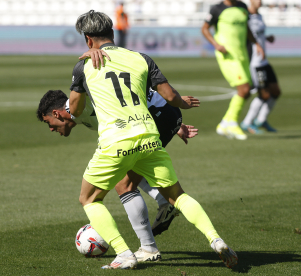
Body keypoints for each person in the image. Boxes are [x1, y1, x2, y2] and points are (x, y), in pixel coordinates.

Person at [68, 10, 237, 269]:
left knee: (89, 199)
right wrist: (184, 104)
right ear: (113, 34)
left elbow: (76, 110)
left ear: (88, 40)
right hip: (150, 136)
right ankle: (216, 240)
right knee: (177, 195)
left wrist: (80, 75)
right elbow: (170, 96)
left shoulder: (85, 65)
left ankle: (124, 253)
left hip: (117, 140)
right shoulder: (140, 58)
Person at [36, 87, 198, 262]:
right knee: (131, 168)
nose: (51, 129)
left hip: (154, 120)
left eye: (48, 122)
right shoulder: (78, 114)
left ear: (56, 113)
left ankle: (149, 248)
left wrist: (167, 104)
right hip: (156, 120)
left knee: (123, 184)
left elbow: (124, 88)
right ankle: (162, 201)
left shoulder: (82, 103)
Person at [201, 0, 265, 140]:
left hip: (242, 54)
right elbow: (204, 28)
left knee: (247, 91)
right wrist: (216, 45)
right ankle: (232, 123)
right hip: (228, 55)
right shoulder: (217, 9)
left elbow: (247, 28)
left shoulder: (242, 7)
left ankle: (225, 123)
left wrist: (257, 44)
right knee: (244, 89)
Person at [240, 0, 281, 133]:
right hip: (255, 62)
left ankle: (261, 120)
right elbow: (245, 35)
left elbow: (258, 34)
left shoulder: (260, 16)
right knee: (264, 95)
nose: (260, 1)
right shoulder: (245, 16)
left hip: (264, 61)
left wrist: (267, 37)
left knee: (276, 92)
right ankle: (246, 122)